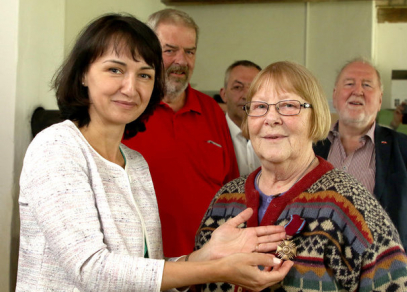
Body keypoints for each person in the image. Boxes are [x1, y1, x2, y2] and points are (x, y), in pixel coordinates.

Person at [15, 14, 294, 291]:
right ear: (84, 74)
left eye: (145, 75)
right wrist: (216, 269)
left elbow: (146, 269)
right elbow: (92, 270)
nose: (130, 87)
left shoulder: (135, 164)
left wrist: (206, 254)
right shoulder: (57, 147)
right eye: (115, 69)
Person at [195, 61, 407, 291]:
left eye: (288, 105)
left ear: (315, 116)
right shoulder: (224, 201)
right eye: (260, 106)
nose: (271, 118)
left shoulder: (350, 205)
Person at [122, 9, 239, 257]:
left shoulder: (212, 111)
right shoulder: (126, 109)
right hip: (145, 268)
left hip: (208, 266)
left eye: (190, 51)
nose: (182, 61)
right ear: (146, 50)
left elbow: (232, 191)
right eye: (170, 50)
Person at [313, 58, 407, 291]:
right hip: (318, 279)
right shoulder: (308, 150)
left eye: (367, 85)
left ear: (380, 100)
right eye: (349, 83)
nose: (357, 90)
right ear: (335, 95)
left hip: (389, 279)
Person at [220, 60, 262, 176]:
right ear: (224, 95)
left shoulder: (278, 137)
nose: (246, 96)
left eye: (254, 88)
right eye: (238, 87)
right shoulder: (211, 137)